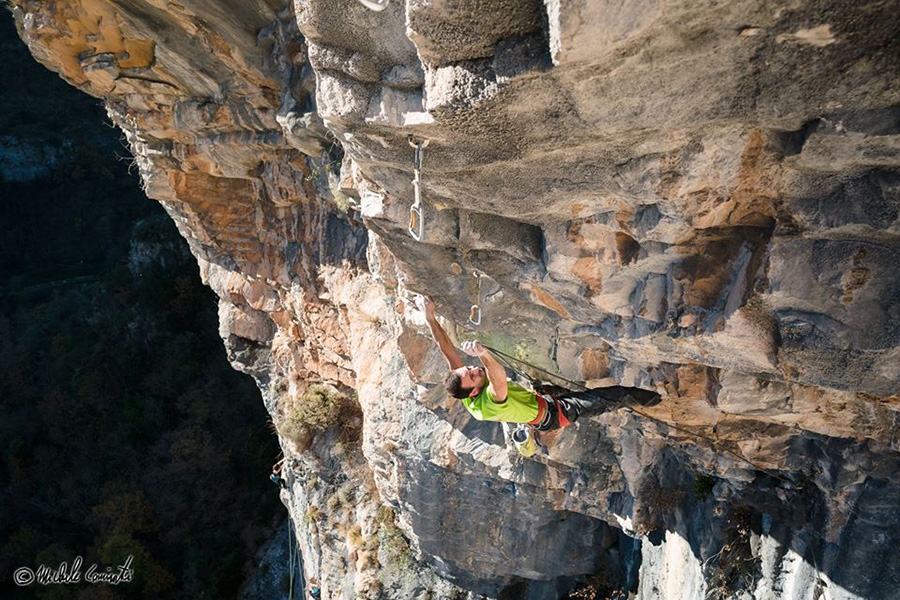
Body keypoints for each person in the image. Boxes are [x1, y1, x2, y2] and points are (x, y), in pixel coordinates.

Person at [417, 295, 660, 431]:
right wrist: (483, 354)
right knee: (613, 396)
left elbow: (446, 347)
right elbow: (498, 376)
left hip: (544, 399)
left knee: (580, 391)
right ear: (474, 391)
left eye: (468, 368)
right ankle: (658, 399)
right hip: (556, 414)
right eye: (472, 375)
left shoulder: (462, 385)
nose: (473, 369)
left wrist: (429, 316)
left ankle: (635, 398)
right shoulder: (488, 403)